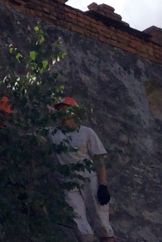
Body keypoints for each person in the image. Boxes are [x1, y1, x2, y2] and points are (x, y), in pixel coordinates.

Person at [49, 97, 115, 242]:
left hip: (89, 179)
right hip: (67, 182)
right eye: (59, 110)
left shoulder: (86, 132)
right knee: (79, 223)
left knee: (102, 221)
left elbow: (98, 160)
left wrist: (103, 185)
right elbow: (30, 135)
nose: (61, 112)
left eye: (64, 109)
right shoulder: (52, 133)